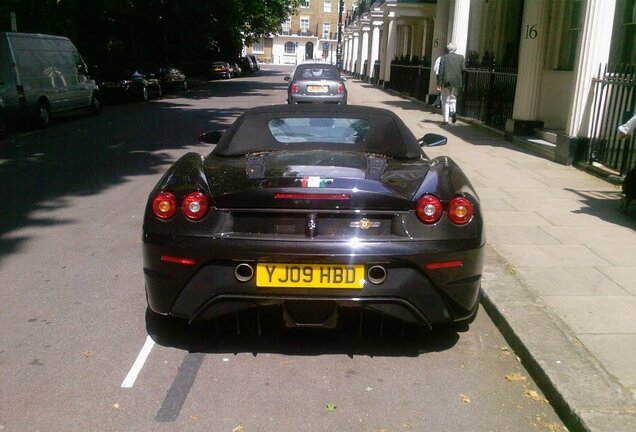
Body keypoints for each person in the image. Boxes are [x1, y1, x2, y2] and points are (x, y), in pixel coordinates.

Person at [437, 42, 465, 125]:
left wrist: (439, 83)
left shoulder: (444, 57)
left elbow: (441, 71)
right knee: (453, 98)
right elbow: (464, 69)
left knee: (445, 100)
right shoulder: (461, 57)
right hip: (456, 81)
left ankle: (445, 120)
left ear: (448, 49)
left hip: (446, 81)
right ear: (455, 49)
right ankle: (453, 111)